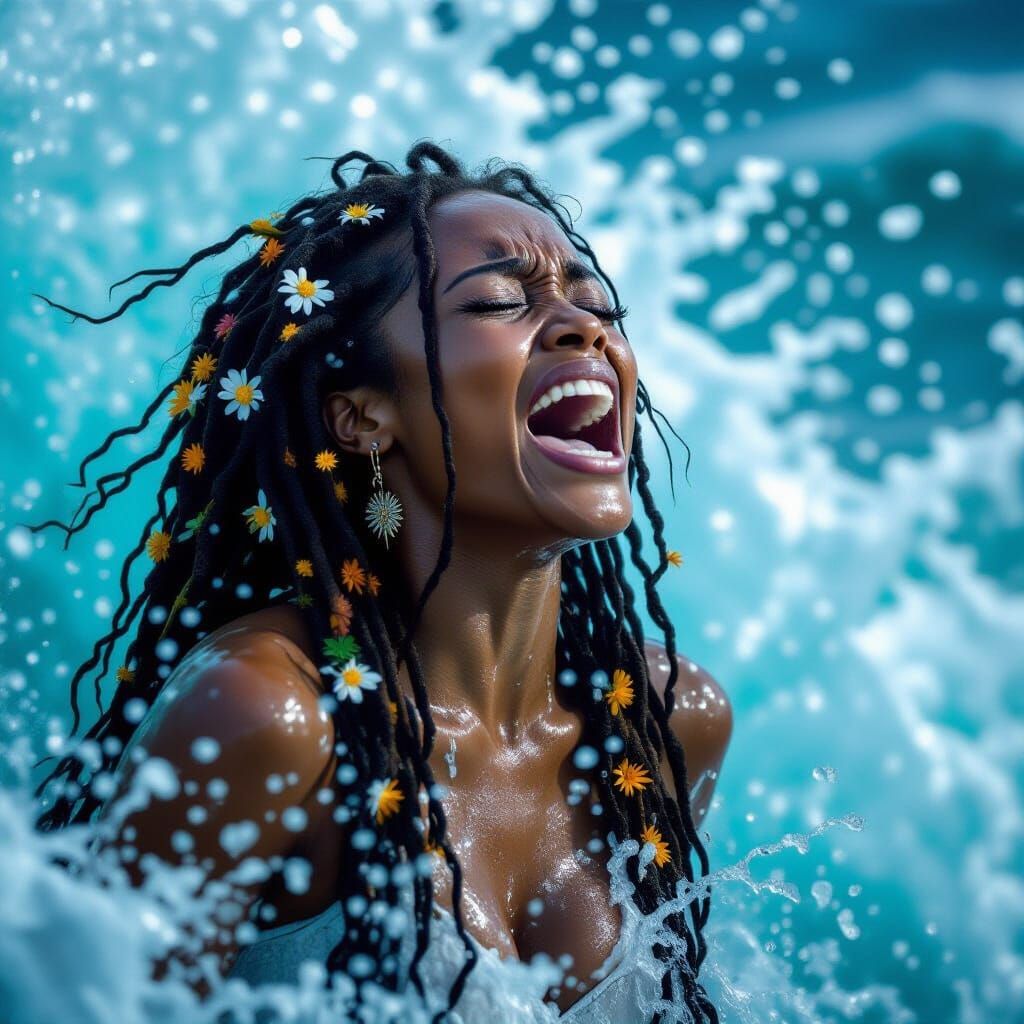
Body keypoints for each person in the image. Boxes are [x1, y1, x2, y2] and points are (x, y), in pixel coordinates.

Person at [30, 141, 731, 1022]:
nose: (583, 327)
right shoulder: (267, 718)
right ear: (361, 416)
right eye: (500, 302)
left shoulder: (662, 722)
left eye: (599, 307)